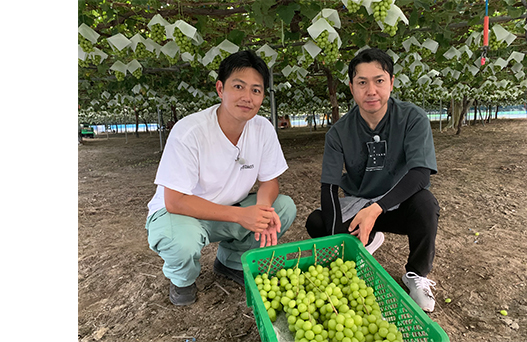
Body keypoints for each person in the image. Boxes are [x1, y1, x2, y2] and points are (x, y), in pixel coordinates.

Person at [145, 50, 297, 306]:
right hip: (181, 215)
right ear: (220, 89)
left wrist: (260, 208)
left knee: (281, 208)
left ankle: (232, 262)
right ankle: (182, 280)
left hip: (229, 210)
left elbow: (270, 181)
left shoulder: (262, 128)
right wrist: (241, 216)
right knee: (181, 242)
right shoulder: (190, 131)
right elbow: (175, 201)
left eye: (256, 90)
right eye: (239, 86)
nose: (247, 97)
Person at [305, 48, 440, 312]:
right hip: (359, 203)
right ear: (351, 87)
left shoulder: (412, 118)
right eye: (362, 82)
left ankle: (415, 275)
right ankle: (365, 238)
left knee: (426, 204)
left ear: (391, 82)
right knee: (317, 222)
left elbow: (420, 174)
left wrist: (375, 210)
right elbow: (329, 187)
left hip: (397, 202)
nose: (371, 90)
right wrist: (338, 246)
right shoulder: (339, 132)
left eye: (379, 81)